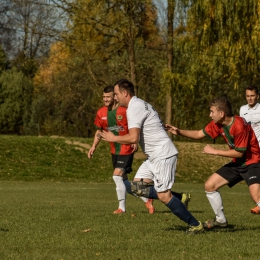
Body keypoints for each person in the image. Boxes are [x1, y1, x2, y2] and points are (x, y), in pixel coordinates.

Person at [101, 79, 203, 234]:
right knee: (137, 187)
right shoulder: (140, 104)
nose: (115, 98)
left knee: (163, 196)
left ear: (125, 93)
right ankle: (180, 197)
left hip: (163, 154)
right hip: (154, 156)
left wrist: (113, 138)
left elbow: (133, 137)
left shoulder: (134, 108)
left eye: (116, 94)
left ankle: (195, 224)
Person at [166, 96, 260, 230]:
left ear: (221, 114)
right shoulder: (218, 124)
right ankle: (221, 220)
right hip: (237, 163)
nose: (210, 115)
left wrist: (215, 151)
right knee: (210, 185)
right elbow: (199, 134)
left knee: (255, 195)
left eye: (212, 111)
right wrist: (179, 131)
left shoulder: (239, 125)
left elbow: (239, 153)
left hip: (253, 162)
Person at [88, 85, 155, 214]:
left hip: (126, 147)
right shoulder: (101, 112)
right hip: (115, 150)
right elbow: (99, 131)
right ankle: (147, 198)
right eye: (104, 97)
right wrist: (93, 146)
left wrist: (135, 141)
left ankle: (121, 208)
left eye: (108, 96)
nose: (105, 99)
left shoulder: (125, 110)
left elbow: (135, 127)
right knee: (123, 181)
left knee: (116, 175)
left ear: (115, 96)